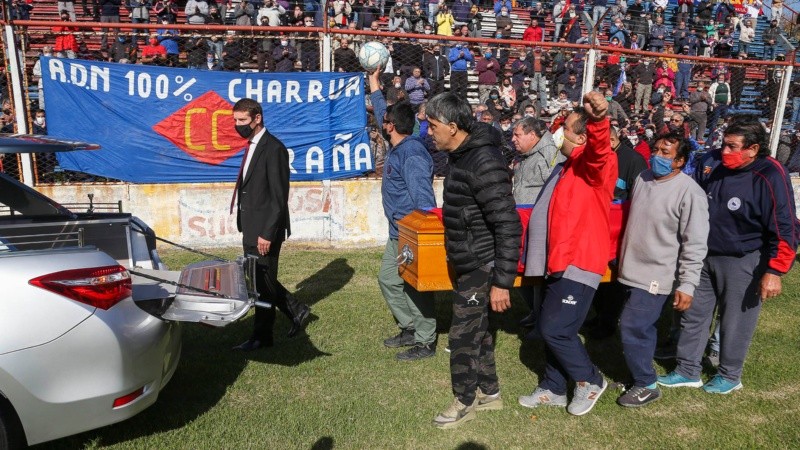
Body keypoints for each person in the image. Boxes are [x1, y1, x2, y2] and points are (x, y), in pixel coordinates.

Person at [659, 116, 798, 394]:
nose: (725, 151)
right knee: (693, 313)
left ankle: (730, 375)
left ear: (753, 149)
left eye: (733, 147)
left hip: (744, 259)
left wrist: (775, 271)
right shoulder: (713, 163)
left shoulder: (770, 174)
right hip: (703, 254)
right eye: (724, 144)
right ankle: (688, 370)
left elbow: (785, 226)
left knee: (736, 320)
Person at [426, 92, 522, 429]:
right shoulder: (459, 155)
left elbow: (508, 224)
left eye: (433, 125)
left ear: (452, 127)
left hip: (482, 263)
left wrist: (501, 282)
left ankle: (463, 401)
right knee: (478, 330)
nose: (429, 131)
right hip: (467, 261)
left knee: (461, 336)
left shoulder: (483, 161)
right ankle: (490, 393)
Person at [519, 92, 618, 416]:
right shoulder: (565, 167)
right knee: (550, 325)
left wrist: (600, 121)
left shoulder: (594, 164)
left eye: (567, 130)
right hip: (558, 261)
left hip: (579, 260)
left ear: (583, 138)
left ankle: (589, 380)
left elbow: (599, 151)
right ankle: (554, 387)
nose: (559, 134)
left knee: (555, 329)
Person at [616, 131, 709, 410]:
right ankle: (640, 372)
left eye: (665, 153)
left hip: (656, 275)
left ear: (680, 161)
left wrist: (687, 284)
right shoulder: (644, 179)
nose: (657, 156)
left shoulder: (690, 192)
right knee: (638, 327)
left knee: (633, 326)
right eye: (655, 150)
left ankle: (646, 384)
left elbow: (695, 242)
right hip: (629, 270)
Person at [230, 99, 311, 352]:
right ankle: (296, 310)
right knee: (256, 279)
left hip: (265, 229)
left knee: (261, 282)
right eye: (235, 120)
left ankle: (262, 337)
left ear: (257, 119)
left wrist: (267, 233)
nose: (237, 125)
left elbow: (278, 197)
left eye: (242, 120)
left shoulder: (274, 148)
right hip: (251, 225)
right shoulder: (252, 145)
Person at [368, 68, 437, 360]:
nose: (381, 120)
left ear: (390, 126)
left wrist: (421, 237)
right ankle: (410, 326)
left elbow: (424, 199)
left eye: (384, 120)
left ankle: (426, 340)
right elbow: (385, 110)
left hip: (412, 232)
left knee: (415, 286)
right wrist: (373, 82)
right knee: (388, 279)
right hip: (397, 232)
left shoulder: (412, 154)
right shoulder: (398, 142)